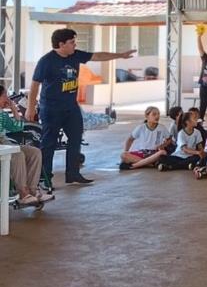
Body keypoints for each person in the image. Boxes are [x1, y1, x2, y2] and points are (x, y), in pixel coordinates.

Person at [27, 28, 135, 184]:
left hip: (71, 107)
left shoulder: (75, 55)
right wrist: (30, 108)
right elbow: (35, 85)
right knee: (49, 143)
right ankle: (46, 176)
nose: (74, 45)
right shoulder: (46, 61)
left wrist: (120, 55)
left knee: (76, 139)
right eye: (72, 42)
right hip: (51, 109)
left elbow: (97, 56)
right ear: (61, 44)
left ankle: (73, 174)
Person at [0, 86, 52, 205]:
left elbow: (17, 127)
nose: (7, 99)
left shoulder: (3, 115)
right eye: (4, 96)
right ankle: (23, 193)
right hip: (3, 145)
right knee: (17, 155)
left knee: (35, 152)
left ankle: (32, 191)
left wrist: (14, 109)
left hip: (5, 143)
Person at [119, 106, 171, 170]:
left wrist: (163, 145)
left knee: (163, 152)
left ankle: (134, 165)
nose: (157, 116)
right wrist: (126, 151)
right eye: (154, 114)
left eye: (158, 114)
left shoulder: (162, 127)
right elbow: (130, 139)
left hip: (155, 154)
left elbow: (169, 139)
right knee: (123, 155)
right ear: (147, 116)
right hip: (142, 153)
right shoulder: (141, 127)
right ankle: (150, 164)